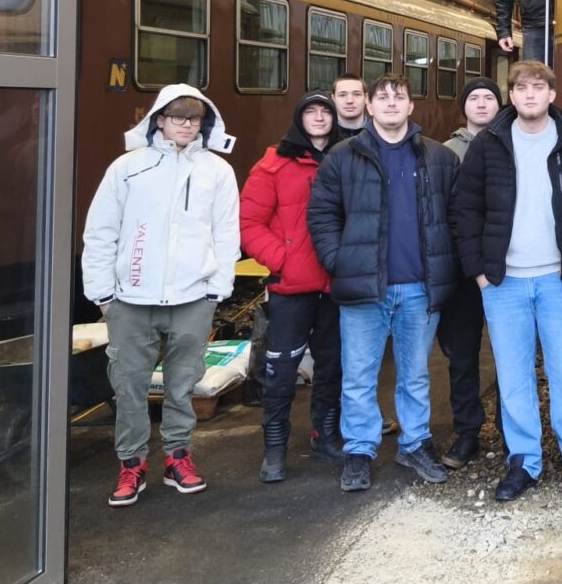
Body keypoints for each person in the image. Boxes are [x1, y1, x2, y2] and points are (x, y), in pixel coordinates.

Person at [81, 84, 240, 506]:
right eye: (178, 117)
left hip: (193, 296)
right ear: (159, 120)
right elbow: (101, 230)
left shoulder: (217, 171)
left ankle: (178, 457)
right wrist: (102, 293)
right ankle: (131, 463)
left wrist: (217, 289)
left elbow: (227, 233)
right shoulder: (127, 167)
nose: (187, 125)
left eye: (195, 119)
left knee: (182, 384)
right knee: (129, 386)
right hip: (131, 297)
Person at [449, 60, 562, 501]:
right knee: (513, 377)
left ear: (552, 94)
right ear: (511, 96)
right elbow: (465, 209)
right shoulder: (488, 145)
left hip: (558, 280)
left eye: (538, 87)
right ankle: (524, 461)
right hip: (504, 282)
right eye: (521, 88)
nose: (530, 95)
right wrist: (479, 271)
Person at [307, 74, 461, 492]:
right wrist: (339, 261)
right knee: (359, 375)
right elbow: (321, 215)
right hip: (364, 289)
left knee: (415, 374)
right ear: (369, 107)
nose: (391, 103)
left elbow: (455, 217)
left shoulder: (440, 158)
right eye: (382, 97)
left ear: (411, 106)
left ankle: (415, 443)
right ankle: (359, 450)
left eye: (399, 97)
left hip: (419, 287)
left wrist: (445, 267)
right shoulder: (342, 157)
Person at [239, 90, 343, 484]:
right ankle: (275, 448)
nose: (318, 118)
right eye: (310, 111)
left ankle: (325, 436)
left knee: (332, 366)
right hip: (291, 287)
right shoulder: (273, 165)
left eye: (325, 111)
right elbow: (249, 223)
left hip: (336, 286)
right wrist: (282, 260)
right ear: (299, 119)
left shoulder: (346, 158)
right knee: (281, 371)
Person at [435, 76, 504, 469]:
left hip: (503, 267)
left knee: (510, 352)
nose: (481, 103)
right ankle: (467, 432)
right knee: (461, 354)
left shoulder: (513, 143)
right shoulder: (445, 153)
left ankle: (512, 431)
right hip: (461, 270)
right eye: (473, 98)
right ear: (463, 107)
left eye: (488, 97)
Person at [331, 73, 367, 141]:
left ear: (366, 98)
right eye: (342, 95)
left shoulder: (379, 133)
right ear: (333, 99)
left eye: (357, 94)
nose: (349, 101)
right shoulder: (324, 135)